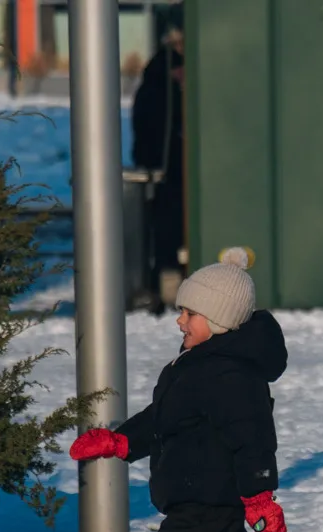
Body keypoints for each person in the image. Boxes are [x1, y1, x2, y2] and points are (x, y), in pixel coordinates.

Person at [69, 251, 323, 532]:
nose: (180, 321)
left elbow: (253, 438)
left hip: (210, 499)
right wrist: (119, 441)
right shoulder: (197, 365)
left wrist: (260, 497)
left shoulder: (232, 374)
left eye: (190, 313)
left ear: (220, 320)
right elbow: (164, 418)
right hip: (197, 494)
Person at [131, 5, 186, 314]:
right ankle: (166, 286)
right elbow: (149, 123)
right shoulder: (159, 79)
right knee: (165, 229)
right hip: (166, 167)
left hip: (174, 164)